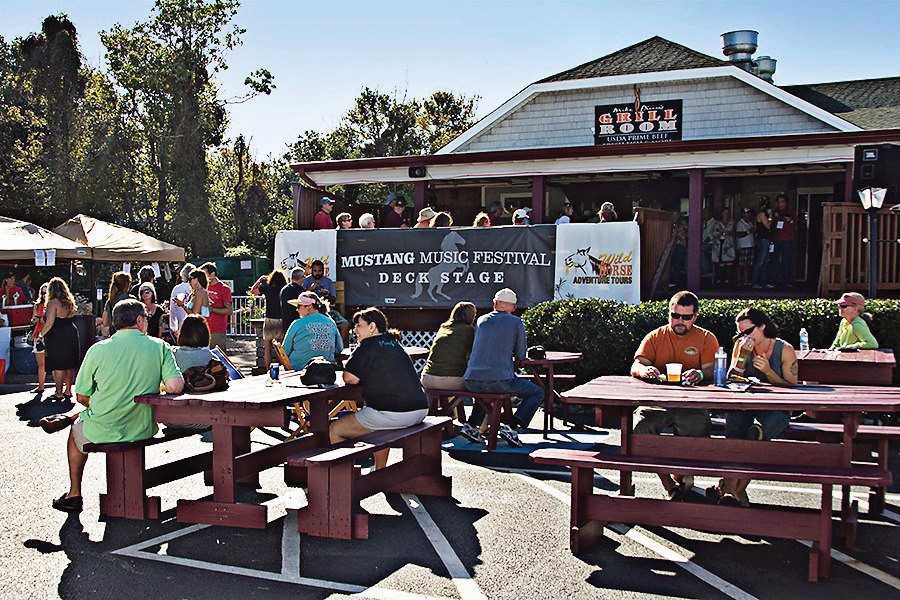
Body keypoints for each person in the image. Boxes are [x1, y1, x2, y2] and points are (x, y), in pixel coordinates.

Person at [49, 299, 183, 512]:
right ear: (139, 321)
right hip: (143, 427)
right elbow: (175, 386)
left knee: (75, 434)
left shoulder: (97, 350)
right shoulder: (159, 346)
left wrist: (106, 402)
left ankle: (74, 492)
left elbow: (82, 396)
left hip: (104, 426)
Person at [631, 290, 718, 500]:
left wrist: (699, 373)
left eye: (686, 317)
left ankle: (682, 475)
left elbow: (711, 370)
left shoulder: (706, 338)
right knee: (638, 429)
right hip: (657, 401)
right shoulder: (656, 336)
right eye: (675, 315)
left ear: (695, 317)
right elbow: (637, 363)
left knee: (697, 428)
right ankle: (668, 483)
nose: (680, 321)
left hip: (692, 401)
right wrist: (644, 371)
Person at [709, 307, 798, 507]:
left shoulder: (784, 349)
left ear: (763, 326)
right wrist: (742, 356)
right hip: (746, 405)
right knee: (734, 429)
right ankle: (733, 491)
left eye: (748, 332)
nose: (744, 337)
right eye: (741, 333)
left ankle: (732, 489)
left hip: (776, 409)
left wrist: (768, 371)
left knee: (755, 434)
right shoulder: (741, 346)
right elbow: (730, 378)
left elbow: (792, 386)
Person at [331, 307, 428, 469]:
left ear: (372, 327)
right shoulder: (394, 343)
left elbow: (350, 378)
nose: (354, 330)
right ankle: (379, 470)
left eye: (358, 325)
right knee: (376, 422)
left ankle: (343, 477)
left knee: (335, 429)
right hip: (420, 410)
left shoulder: (367, 344)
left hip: (393, 414)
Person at [461, 288, 543, 446]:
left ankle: (471, 425)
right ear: (514, 307)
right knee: (537, 392)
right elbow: (521, 355)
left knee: (485, 388)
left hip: (471, 380)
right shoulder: (516, 322)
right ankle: (512, 427)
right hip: (500, 380)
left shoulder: (481, 320)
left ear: (494, 304)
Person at [40, 278, 81, 402]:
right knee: (69, 364)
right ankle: (68, 390)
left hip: (57, 335)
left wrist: (40, 335)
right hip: (71, 332)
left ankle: (58, 392)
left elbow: (50, 322)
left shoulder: (53, 303)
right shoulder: (69, 302)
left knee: (58, 364)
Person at [421, 302, 476, 393]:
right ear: (471, 316)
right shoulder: (469, 330)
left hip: (427, 377)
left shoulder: (443, 327)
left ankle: (446, 407)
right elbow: (473, 356)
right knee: (479, 384)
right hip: (450, 380)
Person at [280, 292, 342, 370]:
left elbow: (284, 351)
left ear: (309, 306)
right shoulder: (331, 322)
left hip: (298, 370)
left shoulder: (297, 323)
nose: (296, 309)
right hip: (325, 370)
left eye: (299, 306)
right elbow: (339, 348)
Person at [250, 269, 287, 367]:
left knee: (267, 348)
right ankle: (282, 368)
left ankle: (267, 370)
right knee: (281, 348)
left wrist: (260, 280)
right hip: (281, 319)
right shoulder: (285, 288)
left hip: (269, 319)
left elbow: (253, 291)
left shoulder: (267, 287)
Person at [200, 262, 233, 351]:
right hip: (203, 328)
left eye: (204, 274)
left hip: (217, 329)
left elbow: (229, 310)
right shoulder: (203, 287)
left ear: (212, 274)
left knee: (217, 359)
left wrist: (212, 309)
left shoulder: (224, 289)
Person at [771, 193, 797, 287]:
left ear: (786, 203)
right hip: (776, 239)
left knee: (787, 261)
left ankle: (787, 282)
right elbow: (770, 225)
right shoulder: (775, 212)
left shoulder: (791, 211)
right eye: (778, 202)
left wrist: (789, 220)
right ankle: (773, 281)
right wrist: (773, 216)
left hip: (787, 239)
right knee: (775, 261)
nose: (780, 204)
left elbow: (796, 223)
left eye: (782, 202)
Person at [169, 263, 196, 341]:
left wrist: (173, 327)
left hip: (181, 325)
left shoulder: (177, 289)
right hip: (196, 324)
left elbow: (172, 309)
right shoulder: (197, 288)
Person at [31, 283, 49, 394]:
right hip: (39, 333)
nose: (44, 295)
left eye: (46, 292)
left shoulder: (53, 305)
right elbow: (33, 318)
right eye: (42, 293)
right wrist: (35, 319)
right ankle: (41, 386)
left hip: (50, 334)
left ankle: (60, 389)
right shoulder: (37, 305)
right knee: (41, 363)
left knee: (55, 362)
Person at [101, 272, 133, 336]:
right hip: (129, 334)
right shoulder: (131, 300)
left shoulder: (110, 301)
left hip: (114, 333)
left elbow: (105, 322)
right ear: (127, 283)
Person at [751, 197, 773, 289]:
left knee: (765, 262)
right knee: (760, 262)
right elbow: (768, 226)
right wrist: (771, 216)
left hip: (766, 240)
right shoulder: (761, 214)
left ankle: (763, 282)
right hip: (762, 240)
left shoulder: (762, 214)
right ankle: (755, 282)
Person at [712, 208, 735, 284]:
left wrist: (720, 230)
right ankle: (720, 278)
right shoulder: (717, 223)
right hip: (719, 244)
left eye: (727, 213)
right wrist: (722, 230)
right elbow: (714, 233)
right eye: (724, 213)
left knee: (729, 262)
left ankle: (729, 280)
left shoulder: (731, 222)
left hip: (728, 245)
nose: (726, 214)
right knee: (720, 262)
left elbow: (729, 230)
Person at [279, 267, 305, 334]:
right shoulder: (300, 291)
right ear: (300, 277)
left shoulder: (284, 290)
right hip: (298, 324)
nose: (304, 279)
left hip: (286, 324)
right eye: (303, 277)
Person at [734, 208, 755, 286]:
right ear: (743, 214)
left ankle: (746, 279)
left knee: (748, 264)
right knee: (741, 264)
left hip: (750, 245)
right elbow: (738, 234)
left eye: (749, 213)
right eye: (747, 213)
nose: (748, 215)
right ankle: (740, 280)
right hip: (743, 246)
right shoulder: (739, 223)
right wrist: (749, 232)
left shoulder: (750, 223)